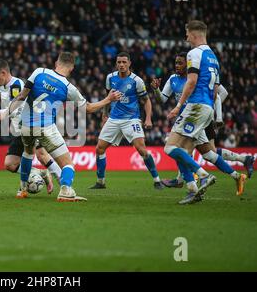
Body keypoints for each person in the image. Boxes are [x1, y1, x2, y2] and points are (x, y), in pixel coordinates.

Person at [2, 52, 121, 201]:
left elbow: (21, 96)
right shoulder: (68, 87)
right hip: (46, 128)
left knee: (27, 153)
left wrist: (5, 113)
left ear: (56, 63)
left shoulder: (39, 72)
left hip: (25, 126)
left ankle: (23, 189)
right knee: (68, 164)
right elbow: (89, 108)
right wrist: (108, 99)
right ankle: (65, 190)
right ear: (71, 68)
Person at [165, 20, 247, 204]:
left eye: (187, 34)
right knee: (191, 151)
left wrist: (179, 105)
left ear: (194, 34)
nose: (186, 37)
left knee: (170, 147)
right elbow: (216, 88)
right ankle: (194, 190)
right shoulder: (213, 57)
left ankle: (202, 176)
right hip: (207, 107)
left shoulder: (195, 53)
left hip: (195, 106)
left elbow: (191, 81)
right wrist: (215, 113)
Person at [152, 53, 255, 188]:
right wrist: (156, 90)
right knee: (208, 154)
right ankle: (237, 174)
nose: (177, 66)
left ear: (188, 64)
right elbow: (162, 99)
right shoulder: (173, 79)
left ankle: (191, 181)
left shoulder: (198, 78)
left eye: (180, 63)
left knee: (177, 148)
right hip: (187, 120)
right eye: (176, 63)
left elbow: (219, 94)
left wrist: (216, 116)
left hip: (197, 118)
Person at [0, 59, 62, 194]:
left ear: (3, 73)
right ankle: (40, 173)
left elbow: (18, 108)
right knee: (10, 164)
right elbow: (8, 110)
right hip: (18, 130)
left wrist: (0, 114)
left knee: (41, 155)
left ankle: (65, 186)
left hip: (30, 125)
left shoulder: (16, 85)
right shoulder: (2, 87)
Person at [90, 52, 164, 190]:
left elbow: (146, 101)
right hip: (114, 118)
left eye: (124, 62)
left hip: (131, 119)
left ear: (129, 63)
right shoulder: (110, 78)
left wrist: (148, 118)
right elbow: (109, 97)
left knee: (141, 148)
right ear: (116, 63)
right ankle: (100, 182)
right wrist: (105, 114)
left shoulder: (137, 81)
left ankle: (157, 180)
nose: (121, 65)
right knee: (99, 148)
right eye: (119, 62)